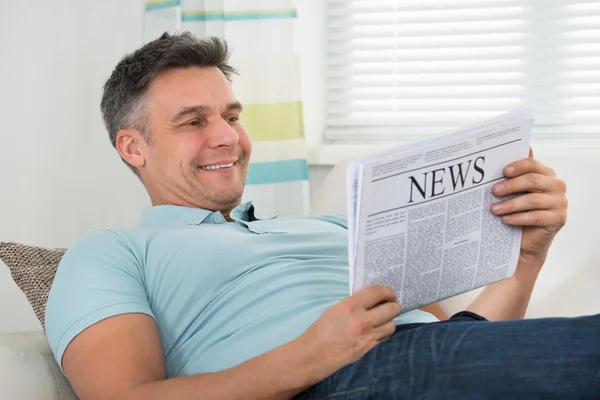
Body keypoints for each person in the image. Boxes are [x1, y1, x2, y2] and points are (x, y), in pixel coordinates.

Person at [45, 32, 599, 400]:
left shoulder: (339, 226)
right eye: (193, 122)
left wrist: (527, 255)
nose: (227, 137)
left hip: (421, 366)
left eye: (231, 115)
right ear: (132, 148)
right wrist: (310, 355)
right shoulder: (112, 252)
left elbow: (467, 347)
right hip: (331, 383)